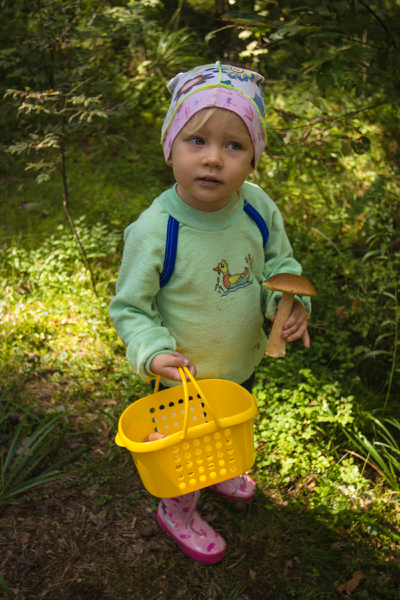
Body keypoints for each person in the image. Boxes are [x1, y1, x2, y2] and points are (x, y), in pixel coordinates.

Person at [109, 62, 312, 564]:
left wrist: (288, 306)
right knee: (183, 451)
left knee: (228, 423)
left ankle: (222, 468)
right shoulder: (155, 230)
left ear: (254, 158)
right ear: (170, 147)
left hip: (240, 360)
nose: (214, 159)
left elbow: (280, 266)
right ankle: (176, 510)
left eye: (234, 145)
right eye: (196, 140)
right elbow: (131, 307)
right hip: (182, 376)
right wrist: (152, 352)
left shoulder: (257, 208)